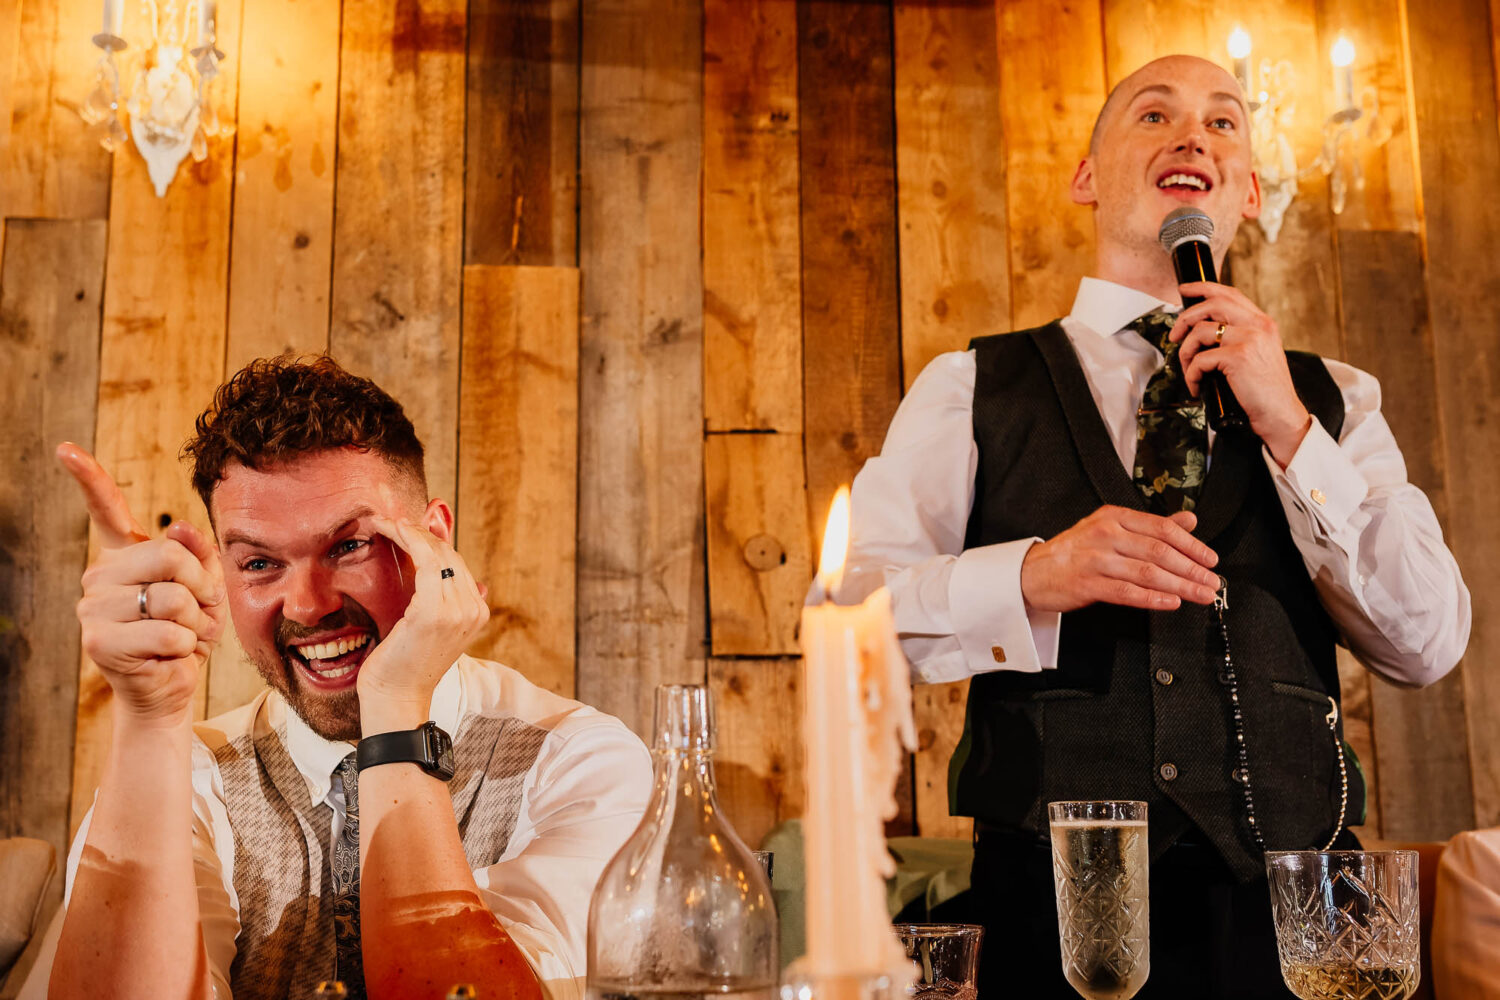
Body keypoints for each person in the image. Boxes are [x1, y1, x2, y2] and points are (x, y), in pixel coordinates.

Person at [835, 55, 1470, 998]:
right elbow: (848, 613)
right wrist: (1031, 575)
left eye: (1224, 123)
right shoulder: (972, 388)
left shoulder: (1335, 402)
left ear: (1249, 191)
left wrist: (1288, 425)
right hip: (1057, 913)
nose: (1192, 136)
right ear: (1087, 180)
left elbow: (1429, 640)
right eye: (1154, 114)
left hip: (1300, 914)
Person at [21, 356, 651, 1000]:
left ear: (434, 542)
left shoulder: (577, 761)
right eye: (260, 562)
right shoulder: (184, 779)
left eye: (349, 547)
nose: (307, 605)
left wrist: (397, 708)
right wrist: (148, 717)